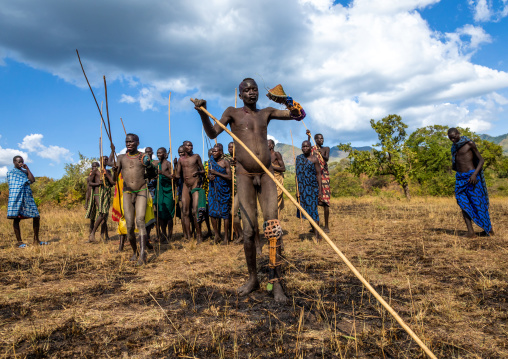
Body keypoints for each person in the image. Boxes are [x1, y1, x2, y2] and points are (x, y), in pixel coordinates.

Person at [192, 77, 306, 302]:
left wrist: (288, 100)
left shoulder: (266, 113)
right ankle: (253, 278)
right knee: (248, 231)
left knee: (273, 228)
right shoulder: (232, 112)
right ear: (240, 94)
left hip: (266, 174)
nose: (252, 92)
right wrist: (203, 112)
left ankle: (276, 281)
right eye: (247, 90)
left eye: (254, 89)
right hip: (244, 175)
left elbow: (298, 115)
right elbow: (213, 133)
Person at [110, 133, 152, 265]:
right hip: (127, 192)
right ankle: (135, 252)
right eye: (127, 142)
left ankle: (143, 254)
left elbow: (151, 175)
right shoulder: (121, 158)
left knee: (140, 220)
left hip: (141, 190)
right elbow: (113, 180)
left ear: (138, 143)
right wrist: (114, 170)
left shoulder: (143, 157)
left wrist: (148, 165)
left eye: (131, 142)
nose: (128, 144)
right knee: (129, 225)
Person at [448, 128, 493, 237]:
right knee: (463, 204)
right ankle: (471, 232)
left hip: (472, 178)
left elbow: (481, 160)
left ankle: (489, 231)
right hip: (460, 178)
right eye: (450, 138)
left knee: (479, 204)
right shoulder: (454, 147)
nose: (453, 139)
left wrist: (474, 174)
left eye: (454, 136)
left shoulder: (469, 144)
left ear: (458, 134)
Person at [7, 156, 48, 247]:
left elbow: (32, 180)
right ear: (14, 162)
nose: (20, 163)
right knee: (16, 218)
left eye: (21, 161)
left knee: (36, 216)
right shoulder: (11, 172)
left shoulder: (25, 172)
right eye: (18, 162)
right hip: (16, 197)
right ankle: (19, 242)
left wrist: (27, 169)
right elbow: (14, 185)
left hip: (27, 196)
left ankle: (36, 240)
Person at [174, 141, 206, 243]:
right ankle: (188, 236)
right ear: (183, 147)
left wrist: (198, 172)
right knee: (185, 211)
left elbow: (203, 170)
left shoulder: (196, 157)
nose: (190, 147)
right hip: (185, 185)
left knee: (195, 211)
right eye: (188, 145)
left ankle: (199, 236)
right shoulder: (181, 160)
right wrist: (172, 173)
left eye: (191, 145)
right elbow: (178, 175)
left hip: (195, 184)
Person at [296, 141, 323, 242]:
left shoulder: (314, 159)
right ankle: (315, 231)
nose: (305, 148)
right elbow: (297, 175)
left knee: (313, 212)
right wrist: (297, 190)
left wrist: (320, 191)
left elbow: (318, 175)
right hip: (302, 189)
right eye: (303, 146)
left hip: (312, 189)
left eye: (307, 146)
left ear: (311, 148)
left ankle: (317, 235)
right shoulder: (299, 159)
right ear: (301, 148)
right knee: (307, 212)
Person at [87, 156, 116, 242]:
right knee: (103, 212)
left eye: (107, 159)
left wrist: (107, 175)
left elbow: (113, 183)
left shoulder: (108, 172)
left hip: (106, 194)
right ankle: (92, 233)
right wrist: (98, 183)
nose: (106, 161)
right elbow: (90, 182)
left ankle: (102, 236)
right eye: (104, 159)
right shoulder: (96, 170)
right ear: (100, 160)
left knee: (105, 215)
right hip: (98, 193)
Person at [307, 129, 331, 233]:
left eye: (322, 138)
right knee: (313, 201)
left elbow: (326, 159)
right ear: (315, 140)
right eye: (319, 138)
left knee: (325, 202)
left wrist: (321, 153)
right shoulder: (313, 149)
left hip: (324, 176)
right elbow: (306, 150)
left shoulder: (326, 148)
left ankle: (326, 226)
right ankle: (315, 226)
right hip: (314, 176)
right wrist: (308, 137)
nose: (321, 140)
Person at [208, 144, 232, 244]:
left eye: (215, 151)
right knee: (212, 213)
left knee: (225, 214)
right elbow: (209, 174)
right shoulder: (211, 162)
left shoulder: (225, 163)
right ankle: (217, 235)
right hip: (213, 190)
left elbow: (229, 177)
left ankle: (226, 238)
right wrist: (210, 176)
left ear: (221, 152)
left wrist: (217, 173)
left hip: (223, 191)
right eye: (213, 151)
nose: (213, 153)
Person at [152, 147, 175, 242]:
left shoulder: (168, 164)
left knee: (168, 214)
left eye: (160, 153)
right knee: (160, 213)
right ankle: (163, 235)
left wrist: (162, 173)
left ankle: (169, 236)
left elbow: (173, 177)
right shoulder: (158, 164)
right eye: (157, 153)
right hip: (160, 190)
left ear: (165, 154)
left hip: (168, 191)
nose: (158, 154)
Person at [268, 139, 285, 215]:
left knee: (276, 198)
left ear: (272, 145)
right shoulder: (266, 156)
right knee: (270, 199)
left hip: (278, 178)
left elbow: (283, 168)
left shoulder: (276, 154)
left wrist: (271, 167)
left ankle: (276, 217)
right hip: (270, 179)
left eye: (268, 144)